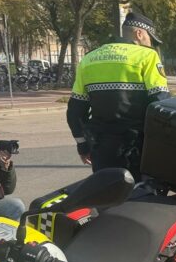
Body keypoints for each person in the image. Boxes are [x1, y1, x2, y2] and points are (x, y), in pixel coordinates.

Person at [66, 12, 170, 180]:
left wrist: (83, 146)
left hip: (101, 149)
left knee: (107, 192)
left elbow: (75, 111)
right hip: (137, 148)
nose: (151, 44)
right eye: (150, 39)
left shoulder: (89, 59)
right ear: (139, 34)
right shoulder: (147, 56)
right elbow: (160, 103)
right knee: (140, 194)